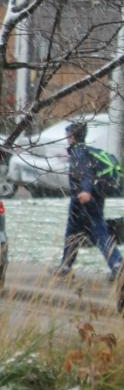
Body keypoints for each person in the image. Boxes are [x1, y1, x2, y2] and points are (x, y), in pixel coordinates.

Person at [54, 119, 122, 279]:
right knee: (75, 231)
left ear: (72, 136)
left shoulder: (78, 151)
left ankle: (117, 263)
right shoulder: (87, 149)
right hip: (95, 194)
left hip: (84, 197)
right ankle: (66, 266)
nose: (67, 139)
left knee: (97, 230)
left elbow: (85, 173)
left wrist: (85, 191)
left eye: (68, 136)